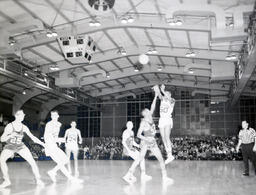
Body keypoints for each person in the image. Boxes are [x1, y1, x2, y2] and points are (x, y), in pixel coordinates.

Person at [0, 110, 44, 188]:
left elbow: (33, 137)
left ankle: (38, 179)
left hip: (20, 146)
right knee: (1, 160)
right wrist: (10, 135)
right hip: (10, 146)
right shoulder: (10, 126)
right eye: (22, 115)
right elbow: (2, 139)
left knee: (32, 162)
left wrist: (42, 143)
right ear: (16, 116)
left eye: (23, 115)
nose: (23, 116)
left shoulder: (24, 127)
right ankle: (7, 180)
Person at [137, 90, 173, 183]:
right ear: (145, 113)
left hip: (152, 142)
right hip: (145, 141)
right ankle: (141, 174)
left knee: (160, 158)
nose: (150, 110)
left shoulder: (150, 118)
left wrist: (156, 96)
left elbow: (153, 106)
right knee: (141, 158)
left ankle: (164, 177)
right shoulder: (144, 121)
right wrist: (145, 139)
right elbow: (138, 134)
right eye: (148, 110)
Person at [44, 110, 82, 183]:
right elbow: (47, 136)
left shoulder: (58, 124)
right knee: (61, 162)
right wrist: (60, 140)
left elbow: (55, 136)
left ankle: (52, 171)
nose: (53, 117)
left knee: (65, 160)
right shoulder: (49, 124)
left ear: (58, 116)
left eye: (55, 115)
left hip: (54, 145)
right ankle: (71, 179)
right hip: (50, 146)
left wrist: (59, 140)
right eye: (52, 115)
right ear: (51, 116)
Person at [157, 84, 175, 164]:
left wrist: (163, 90)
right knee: (163, 138)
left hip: (168, 119)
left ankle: (170, 154)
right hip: (161, 119)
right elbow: (160, 95)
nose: (165, 95)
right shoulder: (163, 100)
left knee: (167, 137)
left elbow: (168, 98)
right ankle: (169, 155)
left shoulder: (172, 100)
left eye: (167, 94)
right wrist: (157, 89)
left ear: (169, 95)